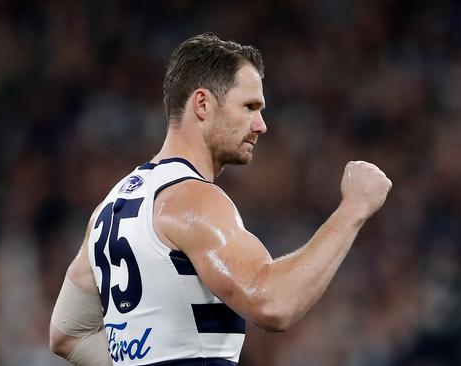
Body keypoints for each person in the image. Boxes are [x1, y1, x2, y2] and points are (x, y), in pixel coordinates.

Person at [49, 32, 392, 366]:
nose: (261, 125)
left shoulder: (108, 208)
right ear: (202, 104)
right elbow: (273, 304)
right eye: (249, 107)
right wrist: (353, 210)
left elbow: (67, 334)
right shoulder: (192, 201)